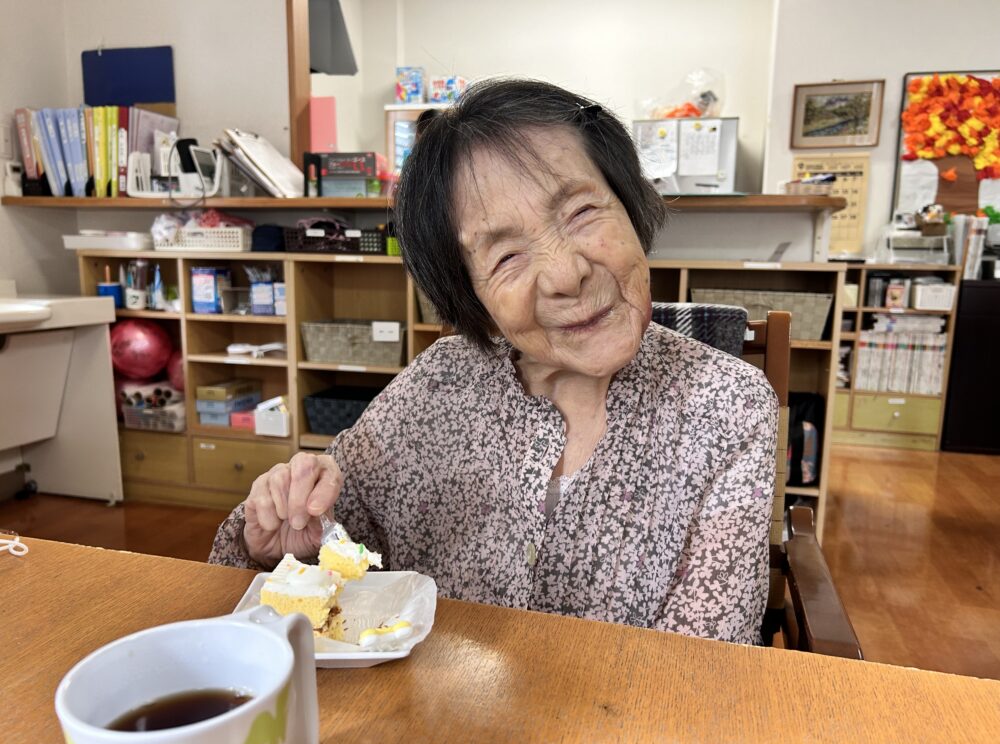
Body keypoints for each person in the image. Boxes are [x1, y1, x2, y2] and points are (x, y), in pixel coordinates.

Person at [210, 78, 777, 645]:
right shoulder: (439, 382)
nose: (566, 274)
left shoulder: (729, 405)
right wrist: (285, 544)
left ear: (630, 206)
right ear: (469, 293)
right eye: (506, 256)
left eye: (581, 212)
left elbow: (709, 667)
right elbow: (328, 537)